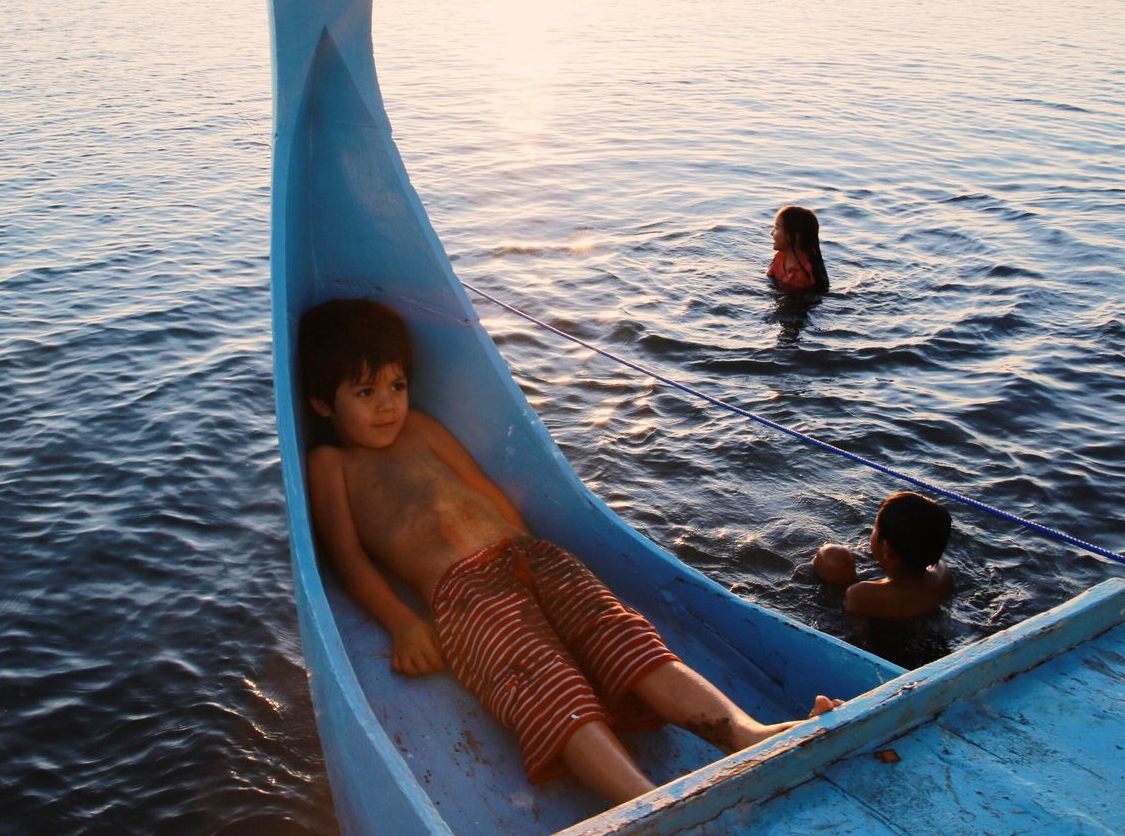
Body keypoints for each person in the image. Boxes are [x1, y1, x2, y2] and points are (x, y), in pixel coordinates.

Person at [301, 297, 842, 804]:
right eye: (365, 393)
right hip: (463, 592)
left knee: (621, 634)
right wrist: (403, 624)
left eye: (396, 385)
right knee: (541, 676)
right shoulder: (333, 466)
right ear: (324, 403)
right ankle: (639, 797)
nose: (388, 405)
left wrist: (534, 551)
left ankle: (744, 732)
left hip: (532, 556)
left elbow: (485, 490)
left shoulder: (421, 427)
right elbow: (348, 559)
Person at [814, 492, 953, 618]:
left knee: (833, 556)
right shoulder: (942, 576)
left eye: (875, 527)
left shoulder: (860, 595)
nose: (872, 532)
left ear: (887, 550)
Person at [767, 205, 829, 293]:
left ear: (796, 237)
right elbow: (769, 277)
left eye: (777, 228)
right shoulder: (780, 257)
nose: (771, 233)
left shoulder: (805, 274)